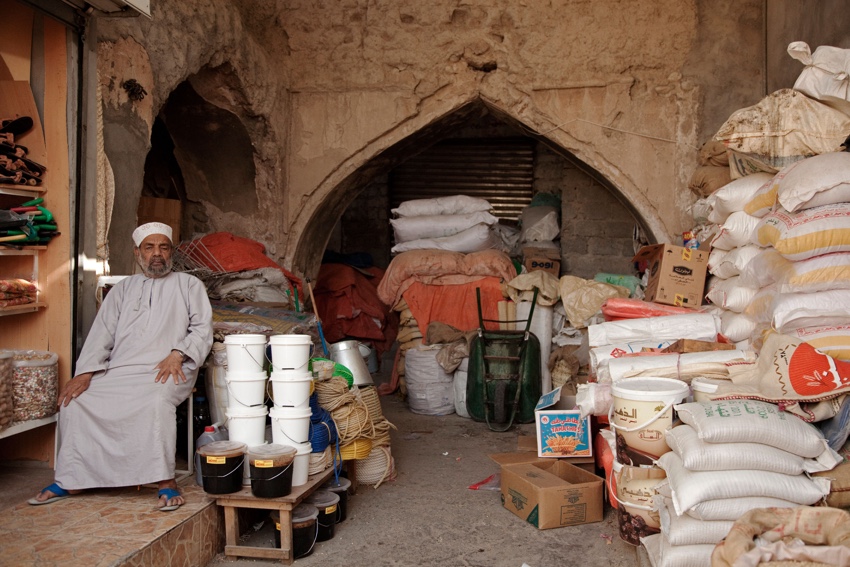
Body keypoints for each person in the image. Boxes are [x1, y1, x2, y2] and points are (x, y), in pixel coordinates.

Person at [29, 222, 213, 511]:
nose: (157, 254)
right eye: (149, 247)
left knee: (156, 401)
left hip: (170, 367)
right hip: (122, 370)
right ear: (137, 252)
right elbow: (101, 334)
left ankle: (164, 480)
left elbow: (203, 329)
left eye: (163, 247)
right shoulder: (123, 289)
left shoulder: (189, 285)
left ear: (171, 252)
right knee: (75, 403)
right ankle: (72, 478)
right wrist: (86, 372)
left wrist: (179, 353)